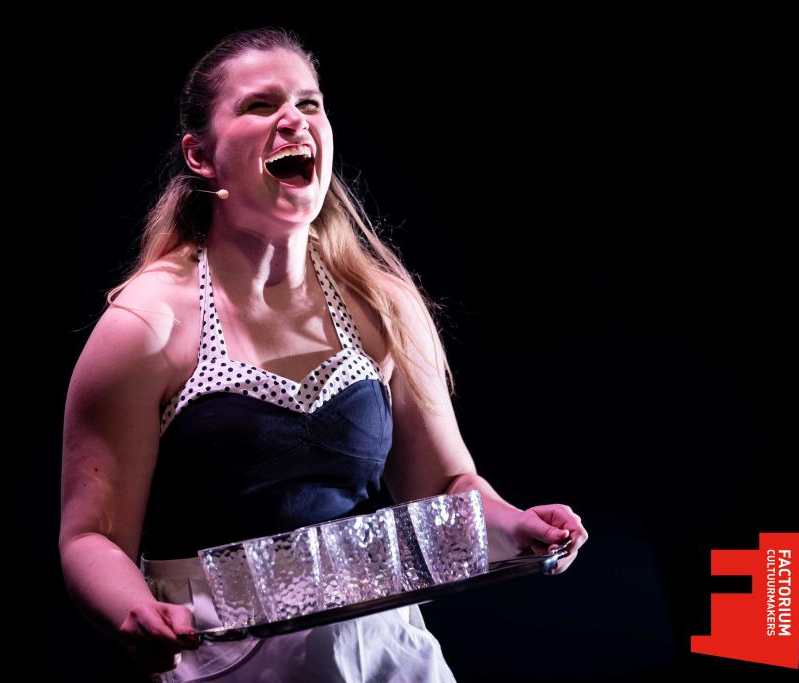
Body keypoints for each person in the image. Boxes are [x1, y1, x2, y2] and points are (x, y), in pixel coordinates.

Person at [58, 26, 589, 682]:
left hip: (385, 653)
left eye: (309, 103)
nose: (294, 119)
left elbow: (445, 487)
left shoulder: (381, 304)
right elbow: (91, 537)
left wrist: (515, 524)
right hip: (225, 661)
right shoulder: (146, 324)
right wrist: (132, 609)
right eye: (260, 105)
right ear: (201, 155)